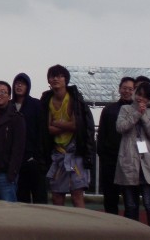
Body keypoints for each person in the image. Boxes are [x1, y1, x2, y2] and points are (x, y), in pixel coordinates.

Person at [40, 64, 95, 208]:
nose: (55, 79)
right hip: (57, 152)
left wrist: (56, 123)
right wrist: (65, 125)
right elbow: (48, 129)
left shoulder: (73, 99)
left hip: (75, 151)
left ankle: (82, 223)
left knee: (77, 194)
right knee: (57, 196)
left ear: (66, 79)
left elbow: (76, 126)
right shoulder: (47, 100)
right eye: (53, 76)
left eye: (59, 76)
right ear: (48, 80)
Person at [114, 81, 150, 231]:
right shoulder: (125, 109)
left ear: (149, 99)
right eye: (139, 94)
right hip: (129, 160)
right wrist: (136, 114)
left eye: (145, 96)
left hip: (147, 162)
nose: (141, 98)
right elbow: (120, 127)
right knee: (130, 205)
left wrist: (144, 116)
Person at [97, 76, 135, 214]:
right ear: (119, 89)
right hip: (111, 160)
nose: (127, 91)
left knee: (130, 200)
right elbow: (101, 134)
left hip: (130, 161)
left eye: (130, 89)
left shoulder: (138, 110)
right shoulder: (109, 110)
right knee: (110, 198)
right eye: (124, 88)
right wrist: (103, 155)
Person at [11, 73, 47, 204]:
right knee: (21, 198)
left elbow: (42, 131)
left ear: (28, 87)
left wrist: (37, 156)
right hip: (16, 161)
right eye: (17, 83)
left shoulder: (36, 104)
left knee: (40, 198)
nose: (19, 86)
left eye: (23, 83)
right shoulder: (9, 106)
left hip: (34, 158)